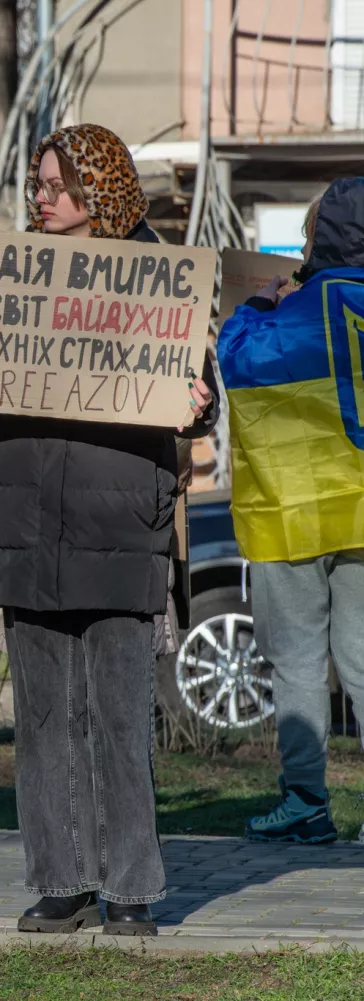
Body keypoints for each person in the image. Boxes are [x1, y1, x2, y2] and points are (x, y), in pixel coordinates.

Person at [0, 124, 219, 937]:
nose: (41, 200)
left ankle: (129, 887)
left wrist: (198, 401)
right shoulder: (8, 283)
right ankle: (62, 879)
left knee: (120, 722)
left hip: (120, 526)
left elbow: (202, 390)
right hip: (29, 526)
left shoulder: (161, 282)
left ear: (99, 190)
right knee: (45, 720)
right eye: (36, 186)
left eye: (55, 186)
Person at [218, 178, 364, 844]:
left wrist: (254, 304)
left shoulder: (290, 309)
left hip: (292, 512)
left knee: (299, 664)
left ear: (321, 234)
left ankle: (306, 801)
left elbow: (236, 360)